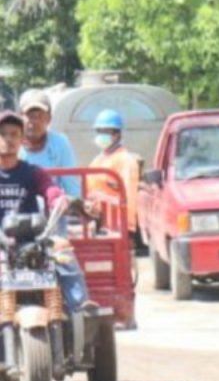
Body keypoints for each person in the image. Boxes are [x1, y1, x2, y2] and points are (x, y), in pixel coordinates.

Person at [0, 110, 90, 312]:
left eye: (14, 134)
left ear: (22, 140)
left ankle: (79, 308)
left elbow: (49, 188)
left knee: (62, 249)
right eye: (3, 134)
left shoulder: (33, 172)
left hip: (32, 240)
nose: (8, 139)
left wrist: (58, 199)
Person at [18, 89, 81, 197]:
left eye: (39, 116)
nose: (34, 122)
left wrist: (76, 203)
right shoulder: (9, 144)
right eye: (30, 116)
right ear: (19, 117)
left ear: (49, 119)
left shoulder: (60, 142)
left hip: (52, 203)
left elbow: (71, 183)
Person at [88, 109, 139, 235]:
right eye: (99, 131)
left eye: (106, 131)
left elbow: (128, 200)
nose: (101, 135)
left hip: (118, 228)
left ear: (117, 134)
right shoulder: (98, 160)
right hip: (99, 224)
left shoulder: (126, 161)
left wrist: (105, 199)